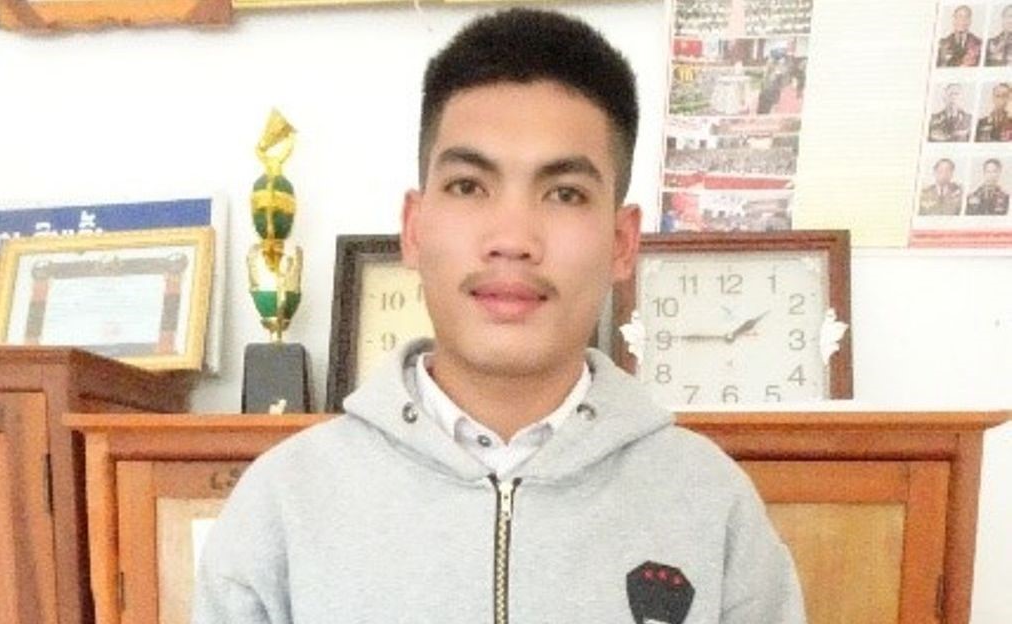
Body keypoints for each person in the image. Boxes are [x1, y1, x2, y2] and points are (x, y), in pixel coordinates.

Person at [193, 9, 805, 624]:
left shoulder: (712, 505)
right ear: (414, 227)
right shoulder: (282, 506)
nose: (512, 238)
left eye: (564, 193)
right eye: (468, 186)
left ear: (622, 243)